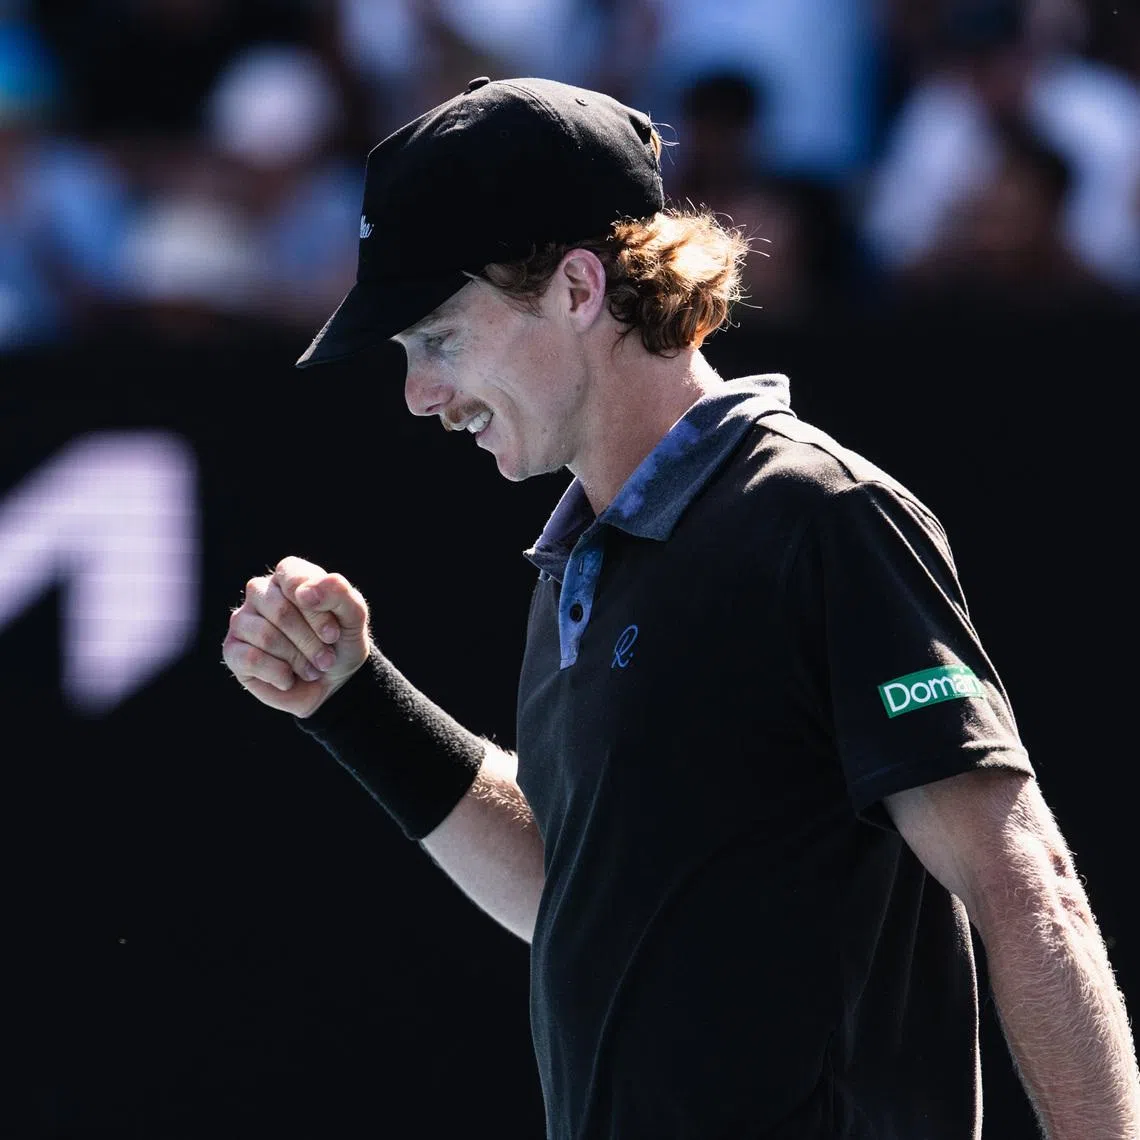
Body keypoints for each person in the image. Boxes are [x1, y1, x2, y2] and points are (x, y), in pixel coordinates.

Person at [221, 76, 1140, 1139]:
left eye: (439, 338)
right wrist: (355, 705)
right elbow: (578, 899)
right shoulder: (581, 568)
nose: (419, 395)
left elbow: (1026, 888)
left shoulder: (816, 516)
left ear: (577, 288)